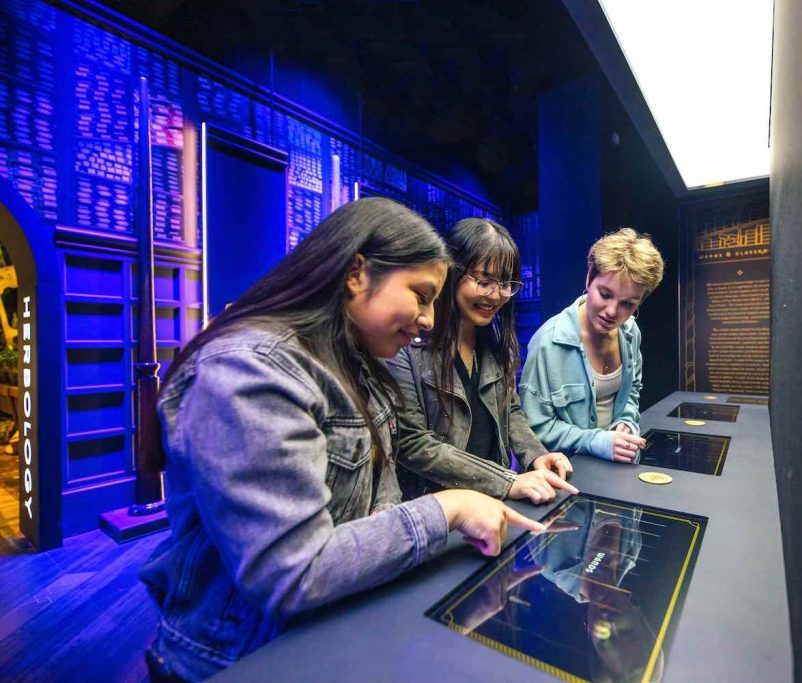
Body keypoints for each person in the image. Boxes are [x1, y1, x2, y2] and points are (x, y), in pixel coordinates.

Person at [139, 199, 543, 682]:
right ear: (356, 274)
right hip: (238, 659)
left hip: (327, 637)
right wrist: (449, 508)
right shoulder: (251, 369)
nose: (429, 319)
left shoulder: (356, 367)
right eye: (420, 294)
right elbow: (290, 572)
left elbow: (377, 504)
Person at [386, 217, 577, 504]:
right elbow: (413, 443)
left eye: (505, 284)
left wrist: (536, 455)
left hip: (495, 502)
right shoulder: (407, 347)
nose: (496, 295)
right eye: (484, 281)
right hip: (438, 511)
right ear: (452, 272)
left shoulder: (496, 344)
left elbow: (511, 411)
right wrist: (508, 481)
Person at [520, 228, 664, 463]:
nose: (612, 312)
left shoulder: (631, 332)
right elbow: (535, 428)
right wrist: (596, 441)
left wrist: (626, 423)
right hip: (569, 476)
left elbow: (632, 391)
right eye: (605, 294)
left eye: (627, 304)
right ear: (588, 279)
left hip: (617, 468)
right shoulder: (549, 341)